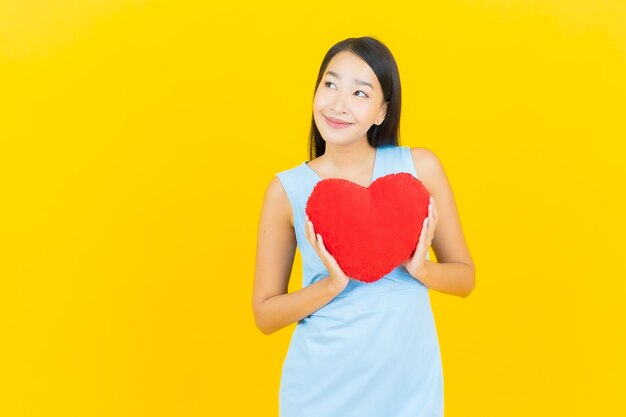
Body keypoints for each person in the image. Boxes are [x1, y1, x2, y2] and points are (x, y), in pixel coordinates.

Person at [252, 36, 475, 417]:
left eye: (359, 92)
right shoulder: (285, 191)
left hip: (409, 392)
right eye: (330, 84)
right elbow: (265, 315)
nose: (338, 104)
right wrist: (332, 284)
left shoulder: (419, 170)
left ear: (381, 112)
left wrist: (419, 268)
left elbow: (464, 278)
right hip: (319, 393)